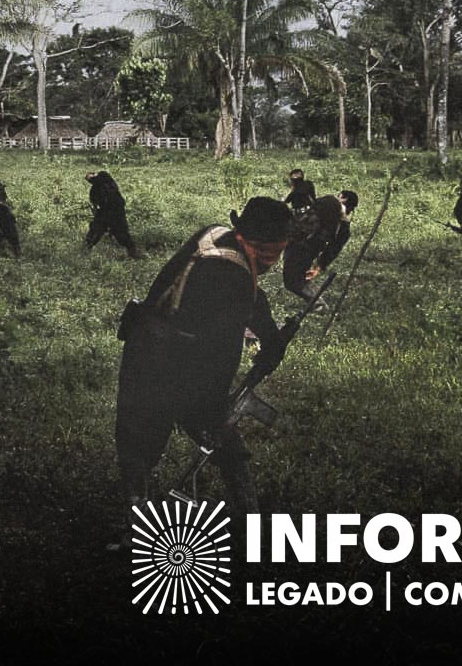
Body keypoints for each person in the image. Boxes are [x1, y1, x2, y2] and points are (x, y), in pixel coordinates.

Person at [114, 197, 293, 522]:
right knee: (146, 440)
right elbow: (220, 353)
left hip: (158, 343)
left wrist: (271, 337)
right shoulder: (228, 272)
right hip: (161, 357)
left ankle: (249, 517)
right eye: (273, 253)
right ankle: (135, 521)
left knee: (217, 442)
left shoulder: (218, 236)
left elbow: (253, 299)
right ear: (259, 245)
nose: (273, 263)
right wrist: (214, 408)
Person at [282, 193, 345, 299]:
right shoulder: (333, 218)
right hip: (305, 247)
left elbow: (301, 229)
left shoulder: (326, 213)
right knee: (294, 280)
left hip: (303, 248)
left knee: (293, 281)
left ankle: (317, 303)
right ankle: (316, 301)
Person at [84, 169, 140, 259]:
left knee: (96, 233)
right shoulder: (107, 184)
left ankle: (84, 252)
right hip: (112, 212)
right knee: (120, 235)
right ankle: (133, 253)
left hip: (110, 212)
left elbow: (95, 204)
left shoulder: (101, 180)